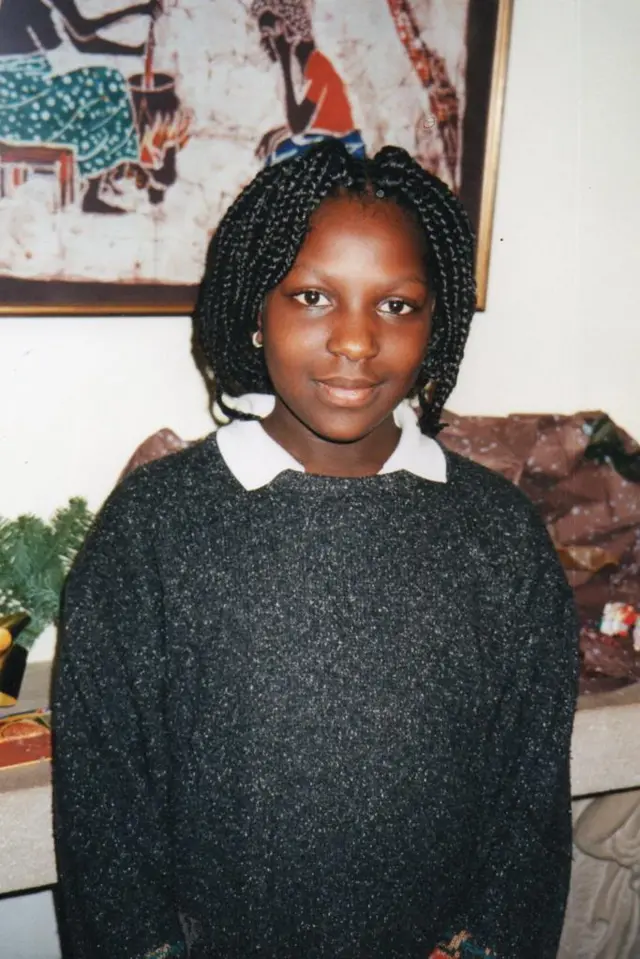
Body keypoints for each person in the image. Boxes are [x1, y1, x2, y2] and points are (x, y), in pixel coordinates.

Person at [53, 141, 579, 959]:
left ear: (437, 321)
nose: (357, 342)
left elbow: (528, 801)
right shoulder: (154, 528)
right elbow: (104, 808)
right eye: (312, 296)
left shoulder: (498, 535)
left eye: (397, 306)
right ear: (255, 312)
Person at [0, 0, 160, 213]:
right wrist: (138, 10)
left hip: (19, 109)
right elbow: (83, 33)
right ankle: (98, 187)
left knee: (102, 87)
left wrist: (135, 49)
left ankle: (102, 184)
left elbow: (81, 42)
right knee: (108, 84)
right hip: (24, 103)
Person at [252, 0, 366, 166]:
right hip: (327, 143)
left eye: (270, 33)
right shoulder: (306, 68)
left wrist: (284, 57)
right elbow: (307, 123)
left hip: (341, 148)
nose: (266, 43)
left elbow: (298, 125)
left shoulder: (318, 67)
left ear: (289, 32)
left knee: (279, 159)